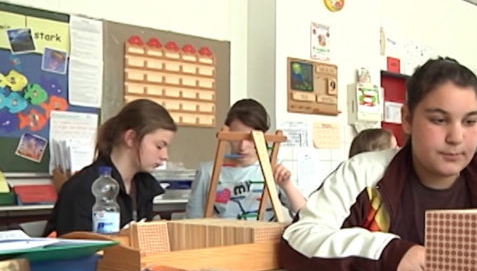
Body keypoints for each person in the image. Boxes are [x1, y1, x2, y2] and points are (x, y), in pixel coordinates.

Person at [279, 57, 477, 271]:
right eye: (439, 120)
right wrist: (389, 254)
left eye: (470, 121)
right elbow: (298, 238)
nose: (456, 137)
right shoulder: (363, 174)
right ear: (407, 119)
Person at [45, 99, 177, 236]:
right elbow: (76, 250)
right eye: (159, 146)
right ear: (131, 138)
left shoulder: (144, 187)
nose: (165, 155)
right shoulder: (82, 188)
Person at [185, 98, 306, 220]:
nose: (242, 147)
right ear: (227, 132)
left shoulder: (274, 168)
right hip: (224, 237)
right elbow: (193, 217)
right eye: (237, 138)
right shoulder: (207, 171)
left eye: (250, 138)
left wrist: (286, 185)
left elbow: (305, 214)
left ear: (263, 135)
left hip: (266, 237)